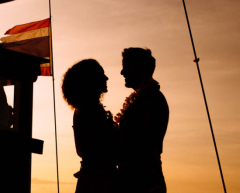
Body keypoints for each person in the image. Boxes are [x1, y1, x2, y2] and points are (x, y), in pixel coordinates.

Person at [116, 48, 169, 193]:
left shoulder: (150, 100)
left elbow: (139, 143)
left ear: (141, 68)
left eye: (126, 67)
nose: (122, 72)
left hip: (142, 182)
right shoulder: (144, 98)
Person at [62, 59, 117, 193]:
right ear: (92, 80)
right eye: (102, 75)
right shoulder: (91, 112)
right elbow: (103, 148)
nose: (106, 78)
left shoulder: (82, 110)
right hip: (99, 181)